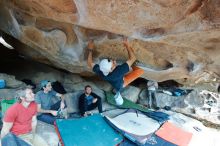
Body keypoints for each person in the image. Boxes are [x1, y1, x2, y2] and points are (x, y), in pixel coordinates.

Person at [87, 38, 143, 105]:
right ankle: (132, 65)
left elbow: (89, 63)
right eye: (112, 63)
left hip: (116, 82)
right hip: (122, 82)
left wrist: (90, 49)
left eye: (110, 60)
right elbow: (133, 58)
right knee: (140, 71)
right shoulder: (118, 71)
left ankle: (129, 65)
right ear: (110, 70)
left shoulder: (101, 71)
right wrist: (127, 45)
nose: (113, 61)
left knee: (125, 70)